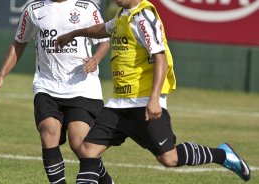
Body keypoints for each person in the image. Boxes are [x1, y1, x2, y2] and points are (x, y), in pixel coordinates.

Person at [55, 0, 251, 183]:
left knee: (169, 158)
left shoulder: (144, 17)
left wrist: (155, 99)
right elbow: (104, 29)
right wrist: (74, 33)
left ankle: (223, 155)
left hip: (143, 102)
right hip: (118, 104)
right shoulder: (123, 15)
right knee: (87, 151)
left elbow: (161, 58)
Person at [0, 0, 113, 183]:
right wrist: (1, 75)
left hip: (82, 86)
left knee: (79, 144)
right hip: (47, 85)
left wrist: (95, 59)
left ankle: (106, 181)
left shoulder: (86, 7)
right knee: (48, 131)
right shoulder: (33, 9)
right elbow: (19, 43)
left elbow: (104, 42)